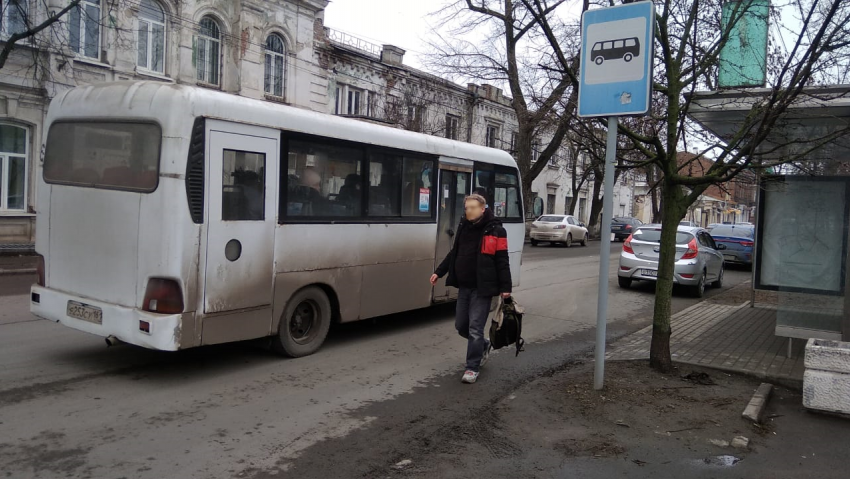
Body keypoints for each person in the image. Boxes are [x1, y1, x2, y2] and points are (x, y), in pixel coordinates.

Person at [430, 193, 512, 384]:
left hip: (482, 288)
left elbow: (502, 260)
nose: (469, 211)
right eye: (467, 208)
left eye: (473, 207)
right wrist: (439, 272)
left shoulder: (496, 230)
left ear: (483, 209)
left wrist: (505, 287)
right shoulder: (464, 227)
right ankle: (483, 344)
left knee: (475, 328)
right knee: (461, 326)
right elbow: (454, 253)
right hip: (464, 286)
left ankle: (472, 367)